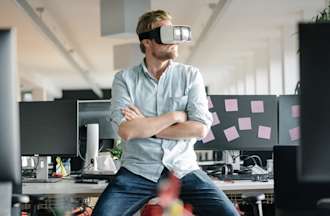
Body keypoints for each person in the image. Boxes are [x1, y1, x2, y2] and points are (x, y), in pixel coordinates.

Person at [92, 10, 239, 216]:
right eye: (165, 35)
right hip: (138, 171)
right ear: (147, 43)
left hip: (183, 169)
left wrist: (146, 126)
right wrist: (175, 117)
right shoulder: (125, 79)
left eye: (174, 34)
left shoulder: (190, 75)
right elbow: (127, 131)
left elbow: (199, 128)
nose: (174, 41)